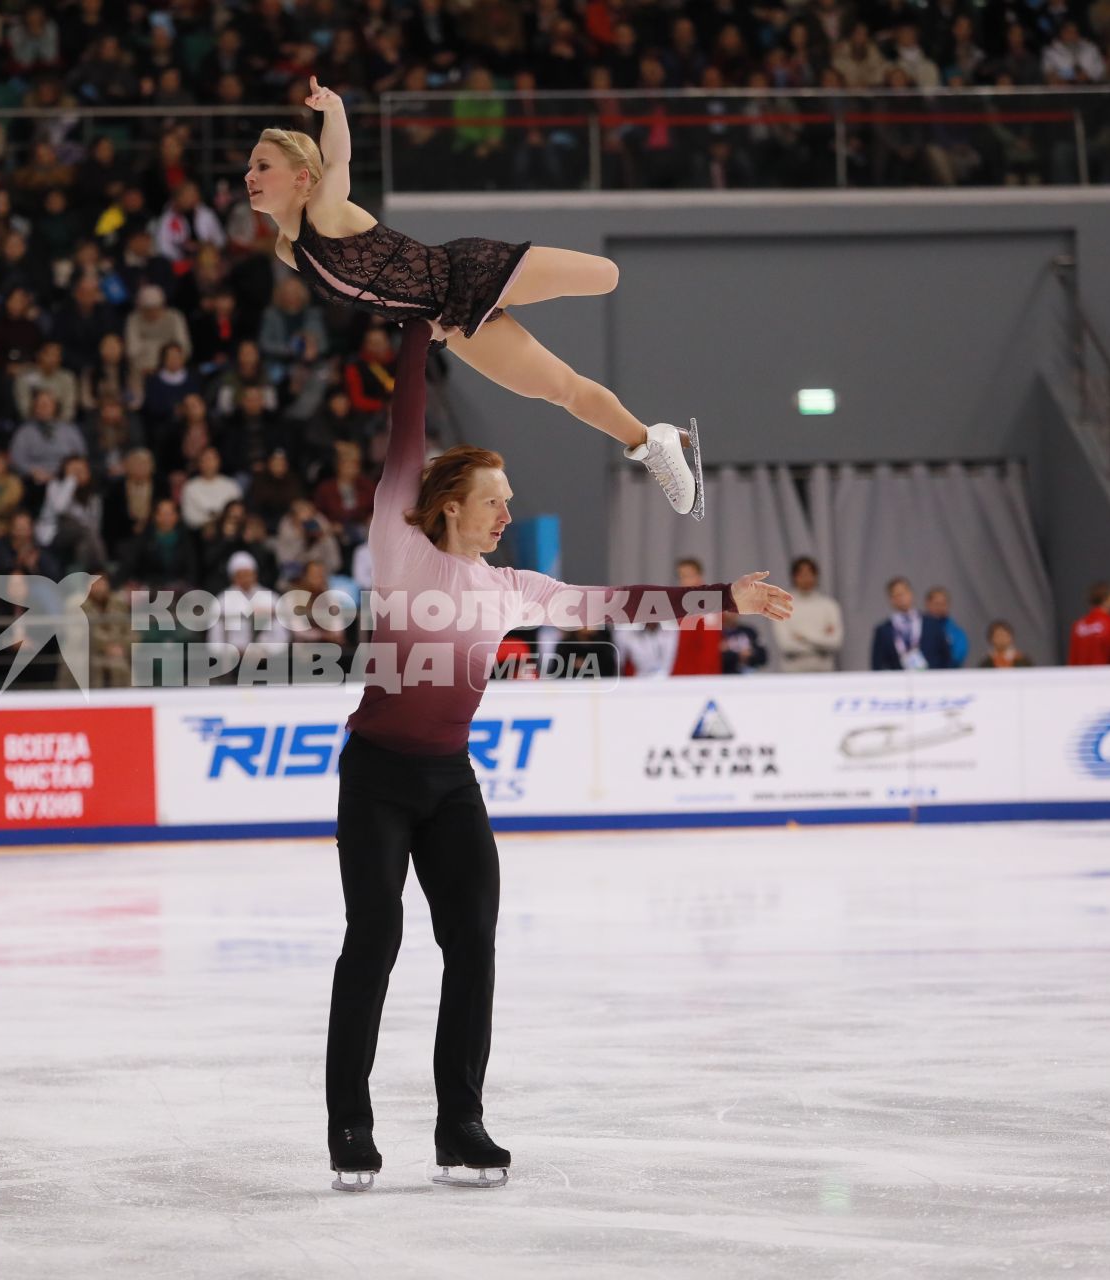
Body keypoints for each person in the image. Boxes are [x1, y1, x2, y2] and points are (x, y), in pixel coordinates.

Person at [324, 320, 790, 1193]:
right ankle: (350, 1124)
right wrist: (418, 345)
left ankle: (460, 1122)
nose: (508, 513)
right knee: (375, 939)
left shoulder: (514, 589)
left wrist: (724, 598)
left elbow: (617, 604)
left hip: (449, 783)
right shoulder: (402, 550)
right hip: (379, 778)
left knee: (474, 943)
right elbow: (404, 437)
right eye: (495, 500)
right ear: (453, 504)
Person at [249, 81, 700, 518]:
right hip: (449, 323)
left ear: (302, 176)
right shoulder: (288, 252)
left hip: (464, 273)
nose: (250, 176)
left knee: (607, 275)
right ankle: (651, 441)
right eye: (251, 167)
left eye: (262, 166)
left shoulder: (324, 210)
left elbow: (340, 157)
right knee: (560, 388)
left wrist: (333, 108)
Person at [870, 576, 953, 671]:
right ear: (891, 600)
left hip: (930, 680)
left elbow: (945, 657)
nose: (901, 598)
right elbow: (877, 665)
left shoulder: (932, 623)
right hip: (900, 681)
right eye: (896, 595)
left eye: (903, 593)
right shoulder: (883, 630)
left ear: (911, 594)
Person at [1068, 581, 1110, 665]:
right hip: (1106, 677)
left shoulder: (1077, 626)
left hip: (1081, 677)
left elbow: (1072, 660)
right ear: (1108, 599)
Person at [925, 586, 968, 667]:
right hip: (921, 675)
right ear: (928, 604)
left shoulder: (956, 632)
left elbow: (957, 657)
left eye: (943, 604)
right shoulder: (917, 629)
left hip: (948, 676)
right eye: (936, 604)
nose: (940, 607)